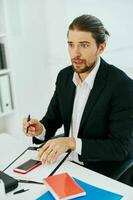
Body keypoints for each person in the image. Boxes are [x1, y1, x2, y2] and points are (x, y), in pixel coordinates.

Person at [23, 14, 133, 178]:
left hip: (101, 173)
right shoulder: (64, 77)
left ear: (100, 47)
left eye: (84, 45)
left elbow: (120, 148)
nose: (76, 53)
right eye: (71, 45)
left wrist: (72, 142)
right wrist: (40, 129)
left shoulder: (122, 85)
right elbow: (52, 120)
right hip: (65, 165)